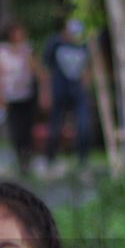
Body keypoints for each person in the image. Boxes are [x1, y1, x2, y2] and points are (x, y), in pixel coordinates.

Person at [40, 17, 93, 178]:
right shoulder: (54, 43)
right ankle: (50, 159)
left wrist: (87, 87)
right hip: (58, 91)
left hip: (78, 92)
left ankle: (82, 161)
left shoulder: (84, 44)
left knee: (84, 126)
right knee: (55, 127)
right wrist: (45, 92)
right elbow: (45, 69)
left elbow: (88, 68)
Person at [0, 22, 42, 175]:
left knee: (27, 128)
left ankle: (28, 156)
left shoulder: (28, 49)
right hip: (9, 96)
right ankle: (20, 156)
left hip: (27, 95)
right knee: (16, 129)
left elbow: (37, 70)